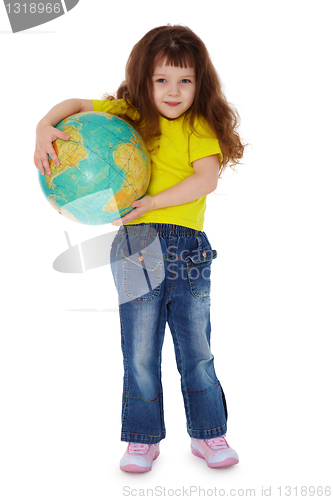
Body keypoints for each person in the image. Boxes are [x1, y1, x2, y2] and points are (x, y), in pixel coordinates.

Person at [34, 25, 246, 473]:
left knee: (196, 346)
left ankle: (209, 435)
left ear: (199, 84)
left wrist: (150, 202)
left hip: (187, 246)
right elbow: (74, 105)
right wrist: (43, 127)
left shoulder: (198, 124)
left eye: (185, 80)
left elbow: (205, 179)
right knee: (140, 348)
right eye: (161, 79)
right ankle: (141, 439)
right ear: (144, 80)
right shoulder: (129, 115)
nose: (173, 90)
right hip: (134, 246)